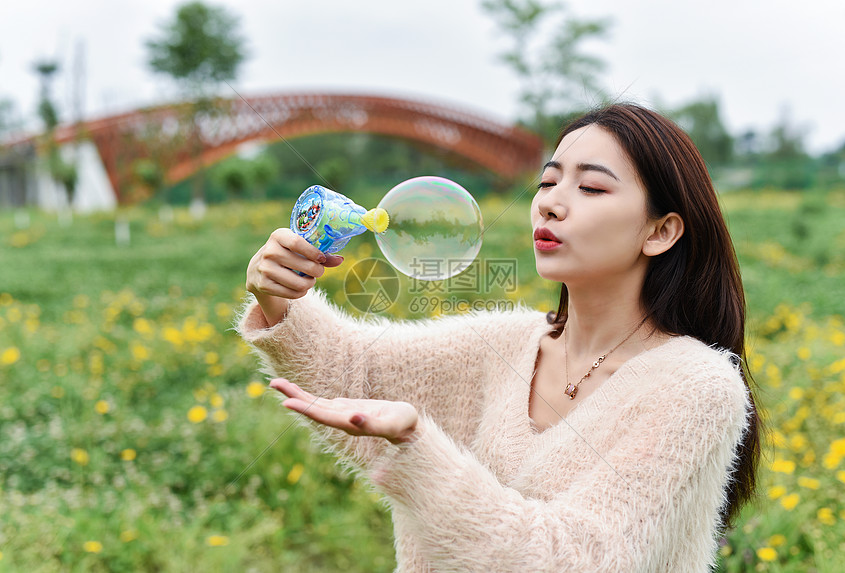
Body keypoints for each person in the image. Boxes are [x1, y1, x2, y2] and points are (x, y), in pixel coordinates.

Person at [237, 103, 761, 572]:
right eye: (548, 182)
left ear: (660, 231)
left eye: (592, 187)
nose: (552, 204)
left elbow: (574, 561)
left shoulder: (697, 387)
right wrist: (280, 296)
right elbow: (354, 374)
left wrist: (419, 449)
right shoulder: (506, 342)